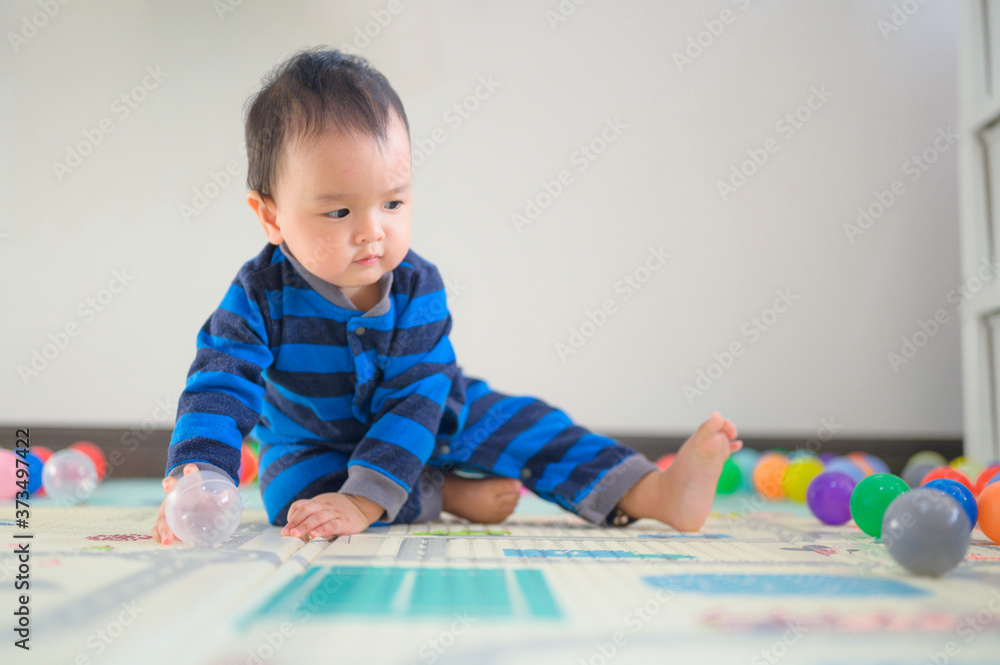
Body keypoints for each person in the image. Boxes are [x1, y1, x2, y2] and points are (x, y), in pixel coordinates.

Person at [151, 48, 742, 545]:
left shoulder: (416, 288)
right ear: (271, 216)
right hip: (312, 442)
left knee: (532, 428)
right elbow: (220, 385)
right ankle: (447, 493)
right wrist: (198, 477)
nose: (372, 230)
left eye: (393, 202)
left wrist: (366, 502)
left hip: (435, 412)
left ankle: (657, 493)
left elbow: (414, 402)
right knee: (299, 500)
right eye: (338, 210)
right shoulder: (258, 296)